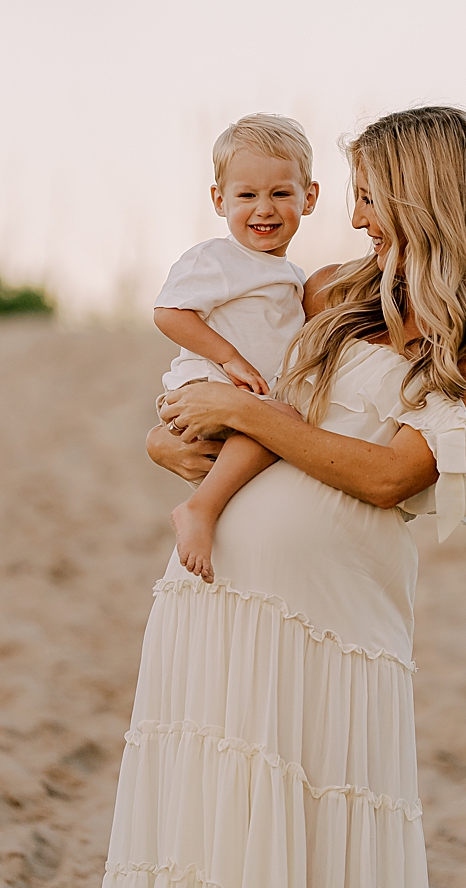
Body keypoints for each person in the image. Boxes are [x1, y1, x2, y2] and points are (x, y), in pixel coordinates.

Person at [105, 106, 466, 886]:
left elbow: (392, 475)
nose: (356, 216)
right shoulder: (327, 290)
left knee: (321, 819)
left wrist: (246, 412)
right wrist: (159, 438)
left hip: (341, 619)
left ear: (424, 196)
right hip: (222, 589)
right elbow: (228, 387)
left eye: (371, 196)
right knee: (212, 822)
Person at [154, 114, 319, 584]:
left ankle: (214, 510)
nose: (263, 208)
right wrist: (229, 358)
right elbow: (169, 313)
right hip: (209, 384)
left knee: (279, 426)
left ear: (309, 198)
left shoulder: (293, 276)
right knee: (277, 425)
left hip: (247, 394)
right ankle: (199, 511)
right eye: (246, 196)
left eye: (280, 194)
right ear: (219, 199)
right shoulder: (217, 259)